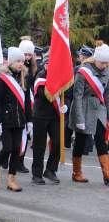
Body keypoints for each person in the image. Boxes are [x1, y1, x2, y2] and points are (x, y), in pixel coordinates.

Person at [0, 47, 32, 192]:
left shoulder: (24, 77)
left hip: (20, 120)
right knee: (7, 148)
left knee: (16, 149)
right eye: (18, 61)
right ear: (11, 62)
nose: (21, 64)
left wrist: (29, 120)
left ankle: (11, 179)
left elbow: (26, 102)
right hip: (6, 120)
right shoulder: (2, 79)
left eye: (22, 61)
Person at [69, 43, 109, 186]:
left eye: (107, 63)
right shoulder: (83, 71)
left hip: (99, 109)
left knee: (101, 140)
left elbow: (107, 95)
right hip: (84, 108)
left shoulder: (107, 71)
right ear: (95, 59)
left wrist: (107, 116)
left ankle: (107, 174)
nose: (104, 65)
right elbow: (77, 96)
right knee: (80, 140)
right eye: (102, 62)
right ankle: (77, 172)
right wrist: (79, 118)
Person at [31, 54, 68, 185]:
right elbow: (44, 95)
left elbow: (67, 93)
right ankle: (36, 174)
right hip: (40, 115)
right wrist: (56, 89)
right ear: (45, 65)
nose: (49, 66)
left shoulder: (60, 78)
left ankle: (51, 170)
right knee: (39, 145)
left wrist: (65, 105)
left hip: (55, 115)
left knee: (58, 141)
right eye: (48, 64)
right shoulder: (41, 76)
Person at [17, 38, 37, 173]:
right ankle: (13, 160)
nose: (27, 58)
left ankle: (20, 161)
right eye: (25, 55)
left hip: (28, 101)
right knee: (17, 135)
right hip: (18, 101)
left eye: (30, 55)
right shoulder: (17, 68)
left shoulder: (33, 68)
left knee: (25, 134)